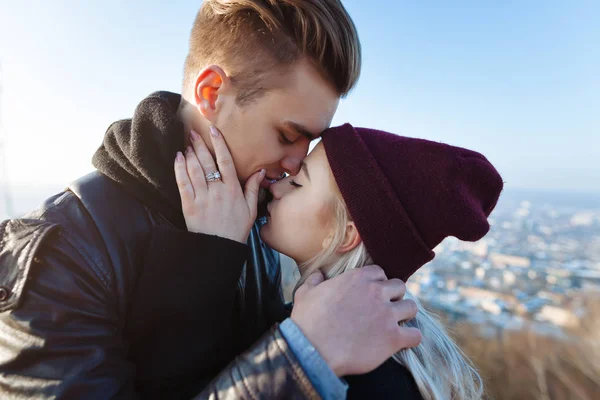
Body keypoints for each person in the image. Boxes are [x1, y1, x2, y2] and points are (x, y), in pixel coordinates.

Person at [0, 1, 421, 399]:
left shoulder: (253, 220)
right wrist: (303, 358)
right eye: (288, 136)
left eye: (309, 141)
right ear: (212, 91)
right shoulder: (62, 250)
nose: (296, 164)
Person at [175, 123, 504, 399]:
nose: (276, 187)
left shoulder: (366, 378)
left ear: (346, 235)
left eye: (299, 182)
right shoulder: (353, 348)